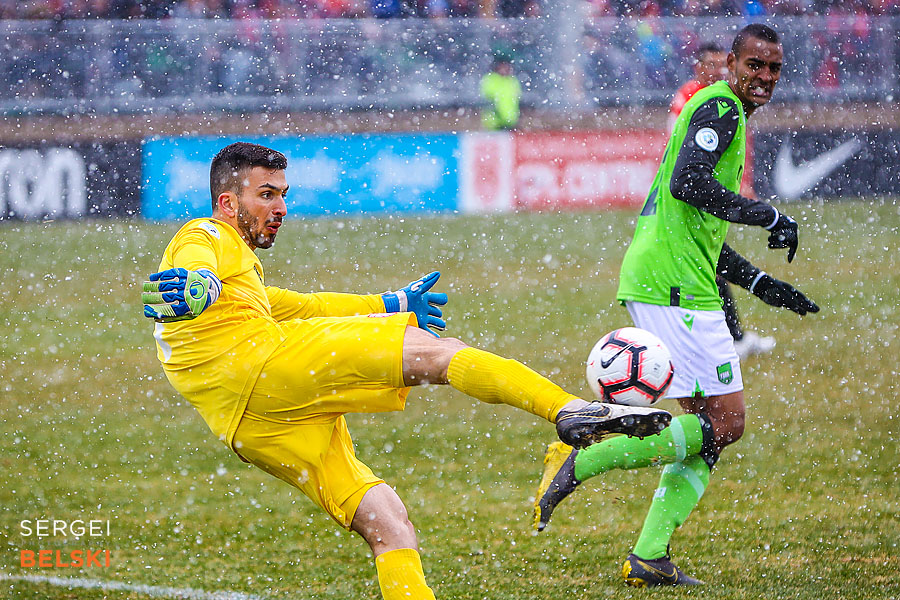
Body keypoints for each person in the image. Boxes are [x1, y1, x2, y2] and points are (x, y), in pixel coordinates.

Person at [140, 142, 671, 600]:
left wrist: (390, 302)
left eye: (283, 194)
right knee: (436, 352)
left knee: (387, 521)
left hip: (248, 424)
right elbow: (193, 268)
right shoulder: (207, 235)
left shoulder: (242, 278)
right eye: (266, 195)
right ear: (227, 203)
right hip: (263, 367)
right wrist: (196, 285)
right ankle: (571, 411)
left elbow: (302, 304)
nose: (280, 208)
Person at [532, 24, 820, 587]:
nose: (764, 77)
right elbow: (689, 183)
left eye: (773, 69)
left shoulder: (721, 110)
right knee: (728, 423)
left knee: (707, 429)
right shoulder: (722, 108)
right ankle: (582, 456)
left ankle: (649, 557)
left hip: (671, 279)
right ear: (731, 63)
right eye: (754, 65)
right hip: (674, 287)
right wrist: (768, 216)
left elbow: (696, 228)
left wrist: (762, 283)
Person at [671, 41, 776, 359]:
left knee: (710, 265)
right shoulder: (693, 98)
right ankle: (727, 340)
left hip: (709, 195)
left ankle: (724, 339)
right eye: (711, 64)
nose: (718, 70)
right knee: (709, 266)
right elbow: (685, 154)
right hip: (696, 197)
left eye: (722, 64)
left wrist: (742, 185)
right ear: (698, 67)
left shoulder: (727, 100)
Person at [480, 56, 521, 131]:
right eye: (502, 66)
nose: (505, 69)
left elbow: (516, 101)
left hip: (510, 123)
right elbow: (488, 99)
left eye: (507, 66)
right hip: (494, 124)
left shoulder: (512, 81)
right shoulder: (491, 79)